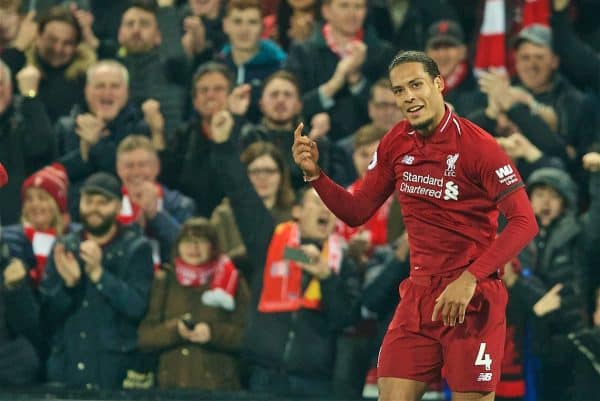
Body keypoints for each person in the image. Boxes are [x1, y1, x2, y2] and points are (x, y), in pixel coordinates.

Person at [292, 50, 539, 400]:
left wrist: (471, 278)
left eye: (416, 85)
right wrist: (316, 176)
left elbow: (524, 222)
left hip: (472, 299)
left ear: (439, 85)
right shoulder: (395, 141)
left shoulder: (479, 147)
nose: (408, 96)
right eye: (399, 90)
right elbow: (357, 210)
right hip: (419, 296)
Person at [39, 172, 153, 389]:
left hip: (112, 373)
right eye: (89, 201)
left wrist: (99, 275)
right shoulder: (63, 246)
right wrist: (68, 287)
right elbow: (45, 317)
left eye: (103, 202)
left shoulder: (136, 249)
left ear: (119, 207)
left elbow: (137, 307)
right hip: (67, 370)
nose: (94, 208)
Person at [137, 217, 251, 390]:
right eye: (187, 241)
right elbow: (145, 338)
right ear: (178, 246)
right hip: (171, 389)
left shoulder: (233, 280)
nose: (193, 248)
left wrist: (212, 334)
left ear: (213, 247)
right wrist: (176, 331)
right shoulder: (165, 281)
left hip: (219, 389)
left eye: (201, 241)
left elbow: (249, 338)